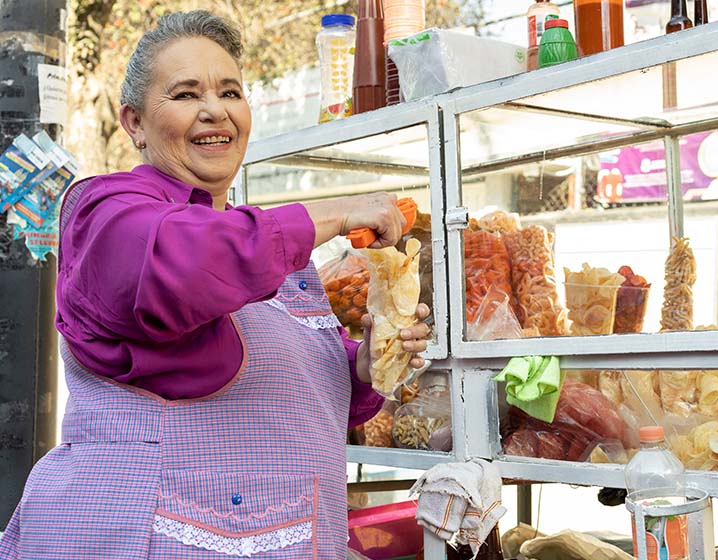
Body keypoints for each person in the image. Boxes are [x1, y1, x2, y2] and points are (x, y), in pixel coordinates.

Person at [0, 10, 430, 559]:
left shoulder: (279, 253)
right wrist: (341, 210)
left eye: (231, 91)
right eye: (184, 94)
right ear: (133, 122)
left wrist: (365, 367)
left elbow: (289, 397)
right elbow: (186, 263)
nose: (214, 110)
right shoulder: (103, 211)